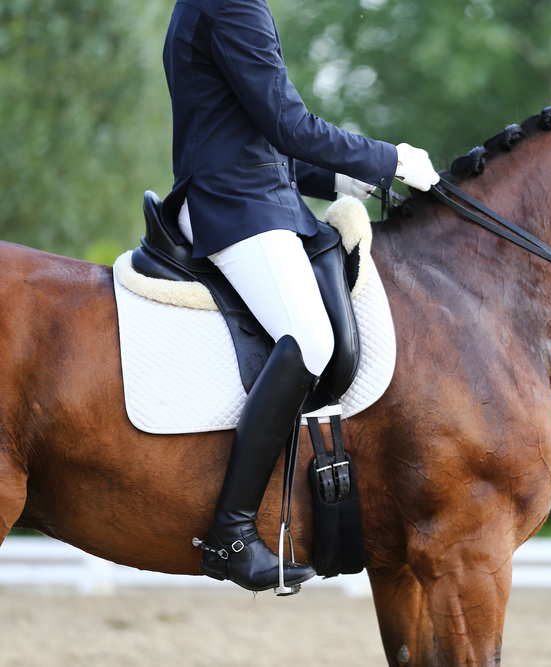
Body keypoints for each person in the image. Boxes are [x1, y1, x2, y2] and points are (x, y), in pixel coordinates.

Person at [161, 0, 439, 594]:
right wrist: (388, 159)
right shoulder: (231, 3)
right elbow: (288, 123)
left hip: (253, 192)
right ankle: (231, 533)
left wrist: (343, 178)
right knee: (310, 338)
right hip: (236, 205)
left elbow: (254, 134)